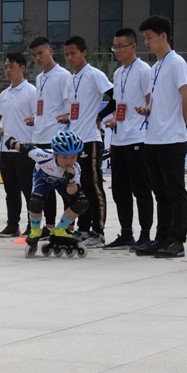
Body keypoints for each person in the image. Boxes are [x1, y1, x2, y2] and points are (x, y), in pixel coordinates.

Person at [135, 15, 187, 258]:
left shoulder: (176, 63)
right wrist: (148, 110)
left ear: (163, 36)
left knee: (175, 192)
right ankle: (162, 238)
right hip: (153, 138)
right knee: (160, 193)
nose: (147, 43)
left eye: (150, 37)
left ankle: (177, 240)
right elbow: (160, 101)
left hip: (172, 138)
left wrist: (184, 124)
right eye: (144, 38)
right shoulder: (155, 67)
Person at [58, 36, 114, 247]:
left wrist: (99, 116)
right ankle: (83, 229)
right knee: (77, 187)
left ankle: (98, 231)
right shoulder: (71, 79)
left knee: (93, 186)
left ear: (84, 53)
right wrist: (67, 118)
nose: (69, 57)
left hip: (90, 139)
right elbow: (76, 109)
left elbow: (115, 96)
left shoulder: (94, 74)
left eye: (73, 53)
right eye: (66, 54)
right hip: (74, 141)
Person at [102, 29, 154, 250]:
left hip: (138, 137)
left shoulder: (144, 70)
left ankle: (145, 234)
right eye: (115, 47)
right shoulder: (118, 73)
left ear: (133, 46)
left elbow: (152, 100)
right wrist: (114, 118)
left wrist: (146, 111)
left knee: (141, 189)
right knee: (119, 190)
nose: (118, 51)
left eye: (122, 46)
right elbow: (120, 103)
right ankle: (126, 233)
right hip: (118, 138)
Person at [4, 129, 89, 250]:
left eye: (73, 157)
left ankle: (59, 230)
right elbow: (24, 148)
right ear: (55, 154)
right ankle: (35, 231)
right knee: (36, 201)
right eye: (64, 157)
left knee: (82, 202)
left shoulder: (75, 168)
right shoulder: (43, 155)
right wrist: (11, 142)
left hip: (61, 182)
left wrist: (70, 180)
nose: (69, 161)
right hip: (43, 179)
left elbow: (72, 193)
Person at [29, 36, 71, 232]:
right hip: (39, 136)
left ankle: (68, 226)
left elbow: (68, 105)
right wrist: (35, 119)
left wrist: (67, 118)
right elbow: (44, 107)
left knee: (63, 183)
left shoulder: (63, 76)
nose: (38, 58)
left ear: (51, 51)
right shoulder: (39, 78)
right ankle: (50, 224)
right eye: (34, 55)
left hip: (56, 139)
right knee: (44, 184)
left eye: (41, 53)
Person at [0, 52, 36, 237]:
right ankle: (12, 225)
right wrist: (0, 128)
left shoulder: (32, 91)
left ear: (22, 68)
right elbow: (5, 117)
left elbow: (39, 117)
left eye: (11, 66)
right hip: (5, 149)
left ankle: (33, 224)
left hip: (24, 148)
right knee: (10, 191)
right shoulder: (4, 94)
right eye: (5, 67)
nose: (8, 70)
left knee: (28, 190)